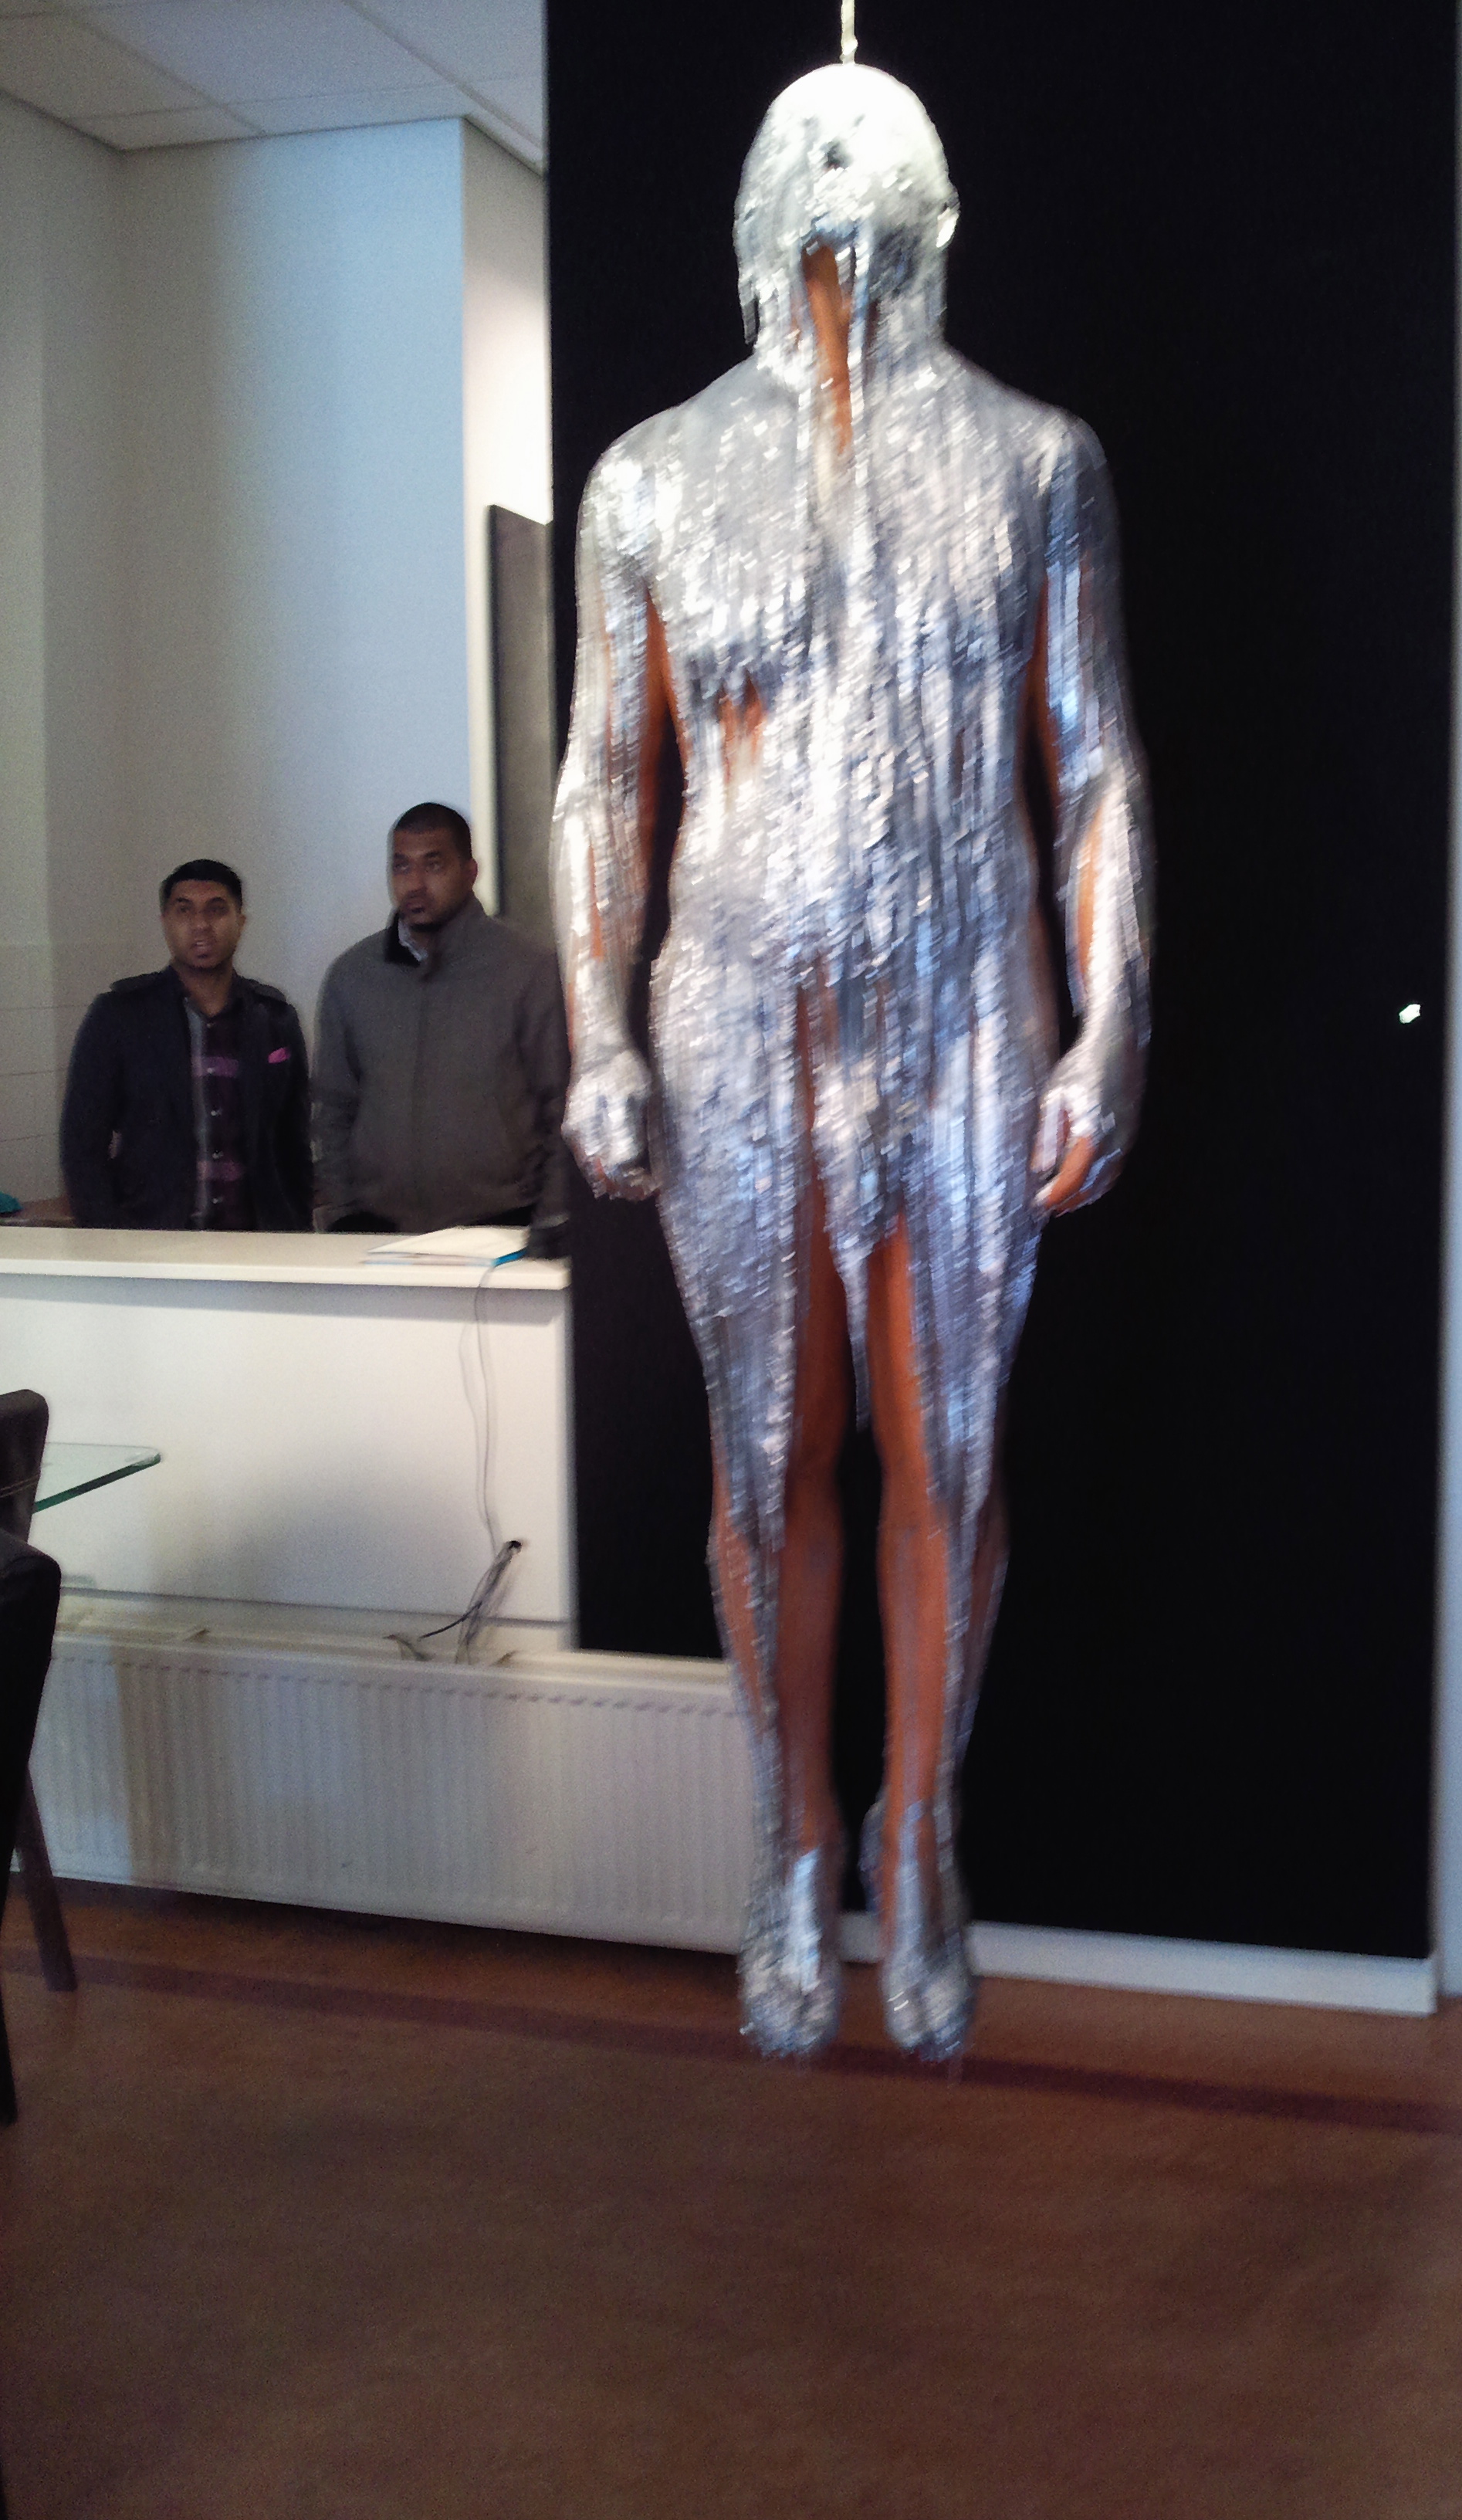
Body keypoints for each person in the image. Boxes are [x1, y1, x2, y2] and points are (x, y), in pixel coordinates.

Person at [551, 63, 1152, 2061]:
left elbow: (1093, 765)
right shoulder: (654, 477)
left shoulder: (1036, 462)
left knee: (946, 1452)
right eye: (800, 172)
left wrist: (1112, 1021)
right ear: (748, 216)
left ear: (936, 212)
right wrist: (600, 1025)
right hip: (738, 1015)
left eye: (871, 167)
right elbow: (605, 776)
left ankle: (925, 1826)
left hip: (967, 1007)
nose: (835, 192)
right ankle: (788, 1829)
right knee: (767, 1455)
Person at [313, 804, 570, 1235]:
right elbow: (332, 1108)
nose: (415, 884)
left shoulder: (528, 971)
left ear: (470, 872)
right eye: (401, 866)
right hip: (377, 1233)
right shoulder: (352, 977)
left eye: (433, 865)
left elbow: (562, 1105)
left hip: (501, 1228)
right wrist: (343, 1213)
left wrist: (553, 1217)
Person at [60, 859, 313, 1231]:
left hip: (258, 1243)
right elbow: (82, 1145)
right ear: (165, 922)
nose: (200, 925)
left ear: (241, 921)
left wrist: (298, 1232)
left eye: (216, 910)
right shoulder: (119, 1016)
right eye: (184, 911)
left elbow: (295, 1144)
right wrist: (106, 1237)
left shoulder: (275, 1018)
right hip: (153, 1239)